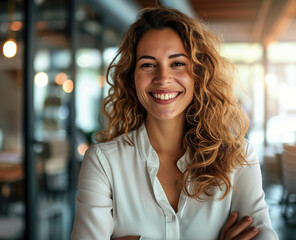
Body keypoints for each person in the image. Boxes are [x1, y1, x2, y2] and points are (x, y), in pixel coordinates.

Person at [71, 6, 278, 240]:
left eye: (177, 63)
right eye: (148, 64)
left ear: (199, 73)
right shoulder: (103, 163)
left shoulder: (238, 157)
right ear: (132, 77)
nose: (163, 78)